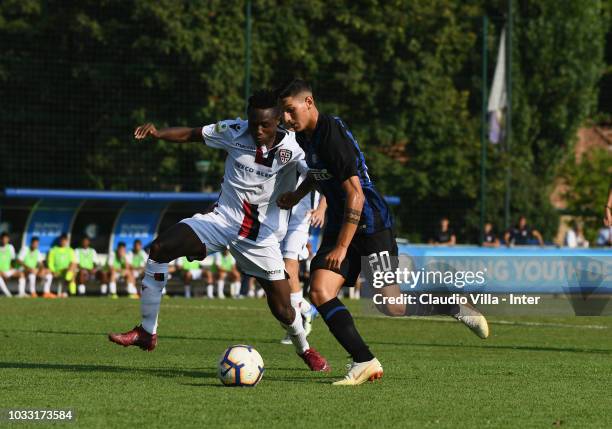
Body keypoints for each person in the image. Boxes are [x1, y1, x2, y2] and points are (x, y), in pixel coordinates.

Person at [278, 79, 488, 385]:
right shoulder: (306, 138)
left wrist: (341, 247)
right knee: (321, 291)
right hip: (342, 225)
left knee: (392, 305)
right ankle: (364, 361)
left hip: (371, 224)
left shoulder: (331, 135)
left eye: (289, 110)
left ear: (308, 102)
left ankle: (449, 303)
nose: (285, 118)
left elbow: (357, 195)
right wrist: (297, 196)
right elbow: (319, 172)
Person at [108, 90, 329, 372]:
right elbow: (192, 134)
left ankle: (305, 349)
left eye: (265, 125)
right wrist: (158, 134)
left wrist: (297, 196)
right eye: (253, 123)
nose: (258, 131)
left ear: (278, 121)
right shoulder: (233, 131)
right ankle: (146, 332)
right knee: (160, 249)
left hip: (260, 238)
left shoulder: (294, 150)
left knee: (284, 309)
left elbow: (317, 175)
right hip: (222, 220)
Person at [46, 234, 77, 298]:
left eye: (65, 240)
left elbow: (73, 262)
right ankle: (71, 292)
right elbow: (50, 263)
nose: (63, 242)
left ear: (67, 241)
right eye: (62, 240)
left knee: (72, 267)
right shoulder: (53, 250)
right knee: (72, 273)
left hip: (67, 270)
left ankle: (68, 280)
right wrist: (53, 271)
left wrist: (70, 269)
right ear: (60, 241)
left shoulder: (70, 250)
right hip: (57, 271)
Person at [0, 232, 25, 297]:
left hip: (8, 270)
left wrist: (13, 268)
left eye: (6, 239)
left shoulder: (10, 247)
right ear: (1, 239)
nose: (5, 240)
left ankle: (21, 294)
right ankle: (8, 295)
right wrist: (1, 272)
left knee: (21, 274)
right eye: (3, 239)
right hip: (0, 271)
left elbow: (12, 260)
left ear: (8, 239)